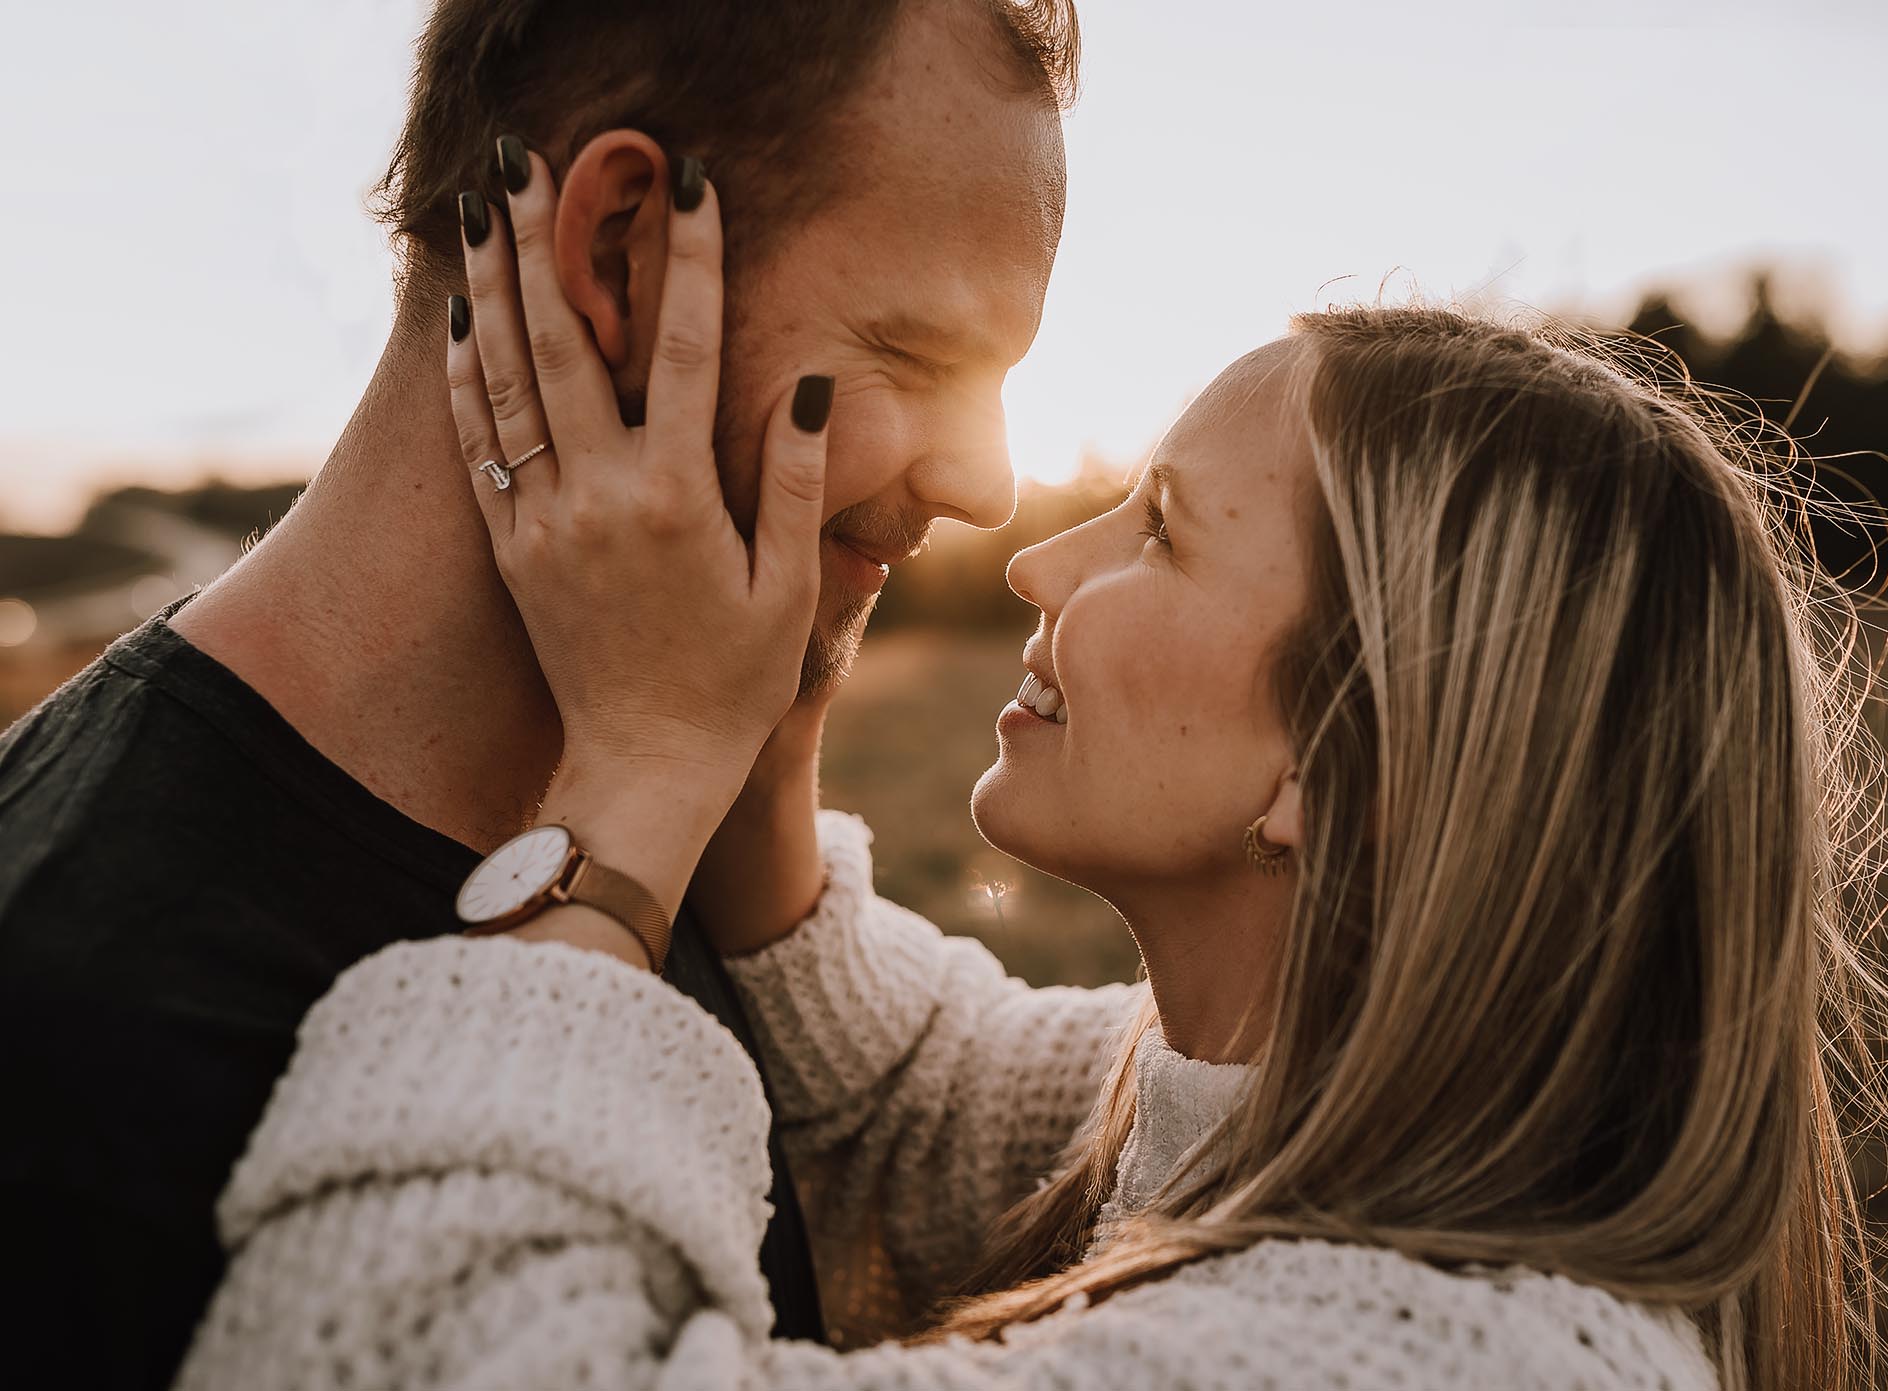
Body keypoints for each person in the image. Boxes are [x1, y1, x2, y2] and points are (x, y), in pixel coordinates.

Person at [172, 133, 1888, 1391]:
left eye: (1160, 532)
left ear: (1339, 773)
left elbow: (397, 1341)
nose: (1039, 559)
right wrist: (768, 716)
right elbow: (908, 1103)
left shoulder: (1440, 1358)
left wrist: (636, 777)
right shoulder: (1298, 1129)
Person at [0, 2, 1079, 1384]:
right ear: (622, 251)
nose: (988, 485)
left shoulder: (659, 826)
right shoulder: (68, 1044)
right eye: (924, 357)